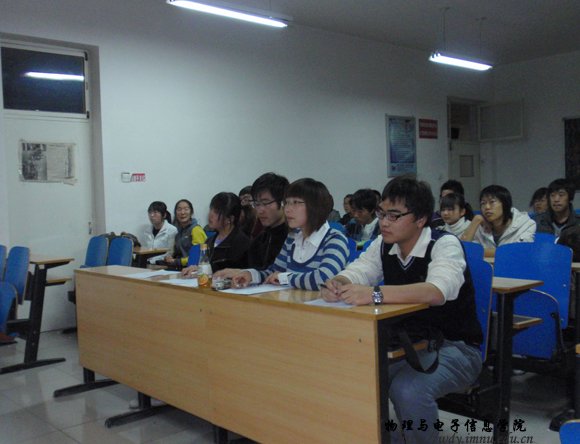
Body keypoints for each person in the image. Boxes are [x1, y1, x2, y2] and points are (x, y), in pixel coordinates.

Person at [320, 175, 482, 444]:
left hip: (456, 347)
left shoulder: (443, 244)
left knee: (408, 390)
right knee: (357, 379)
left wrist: (374, 294)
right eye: (382, 213)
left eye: (394, 216)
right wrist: (339, 282)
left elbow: (436, 291)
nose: (384, 222)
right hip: (410, 344)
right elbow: (360, 270)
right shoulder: (384, 244)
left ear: (420, 219)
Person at [231, 178, 349, 291]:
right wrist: (251, 275)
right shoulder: (292, 237)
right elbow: (274, 272)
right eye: (286, 202)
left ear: (315, 207)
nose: (287, 209)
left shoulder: (335, 239)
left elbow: (324, 279)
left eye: (296, 202)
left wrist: (285, 278)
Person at [214, 173, 289, 277]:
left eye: (265, 203)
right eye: (256, 204)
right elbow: (241, 263)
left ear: (283, 202)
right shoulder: (262, 238)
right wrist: (206, 268)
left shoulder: (293, 238)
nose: (260, 210)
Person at [183, 192, 249, 274]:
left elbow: (233, 270)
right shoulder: (210, 240)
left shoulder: (241, 242)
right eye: (211, 209)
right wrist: (197, 269)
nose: (210, 215)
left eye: (217, 212)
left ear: (230, 219)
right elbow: (208, 266)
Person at [461, 185, 535, 256]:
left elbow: (520, 252)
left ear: (505, 204)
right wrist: (476, 220)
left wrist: (480, 252)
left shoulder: (526, 224)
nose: (487, 207)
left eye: (492, 202)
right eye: (483, 203)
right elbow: (463, 251)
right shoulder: (480, 226)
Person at [165, 199, 207, 269]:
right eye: (179, 209)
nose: (182, 212)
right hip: (179, 267)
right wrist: (170, 257)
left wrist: (177, 261)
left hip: (193, 268)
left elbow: (199, 256)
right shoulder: (177, 230)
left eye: (186, 209)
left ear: (191, 212)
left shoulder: (196, 229)